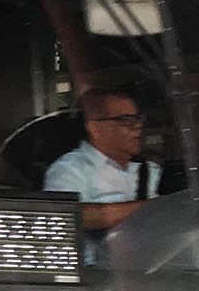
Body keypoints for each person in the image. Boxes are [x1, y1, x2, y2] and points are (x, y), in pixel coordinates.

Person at [42, 87, 160, 234]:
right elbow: (67, 217)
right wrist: (155, 208)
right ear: (95, 128)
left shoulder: (150, 169)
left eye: (138, 118)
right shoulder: (69, 170)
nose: (137, 126)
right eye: (126, 120)